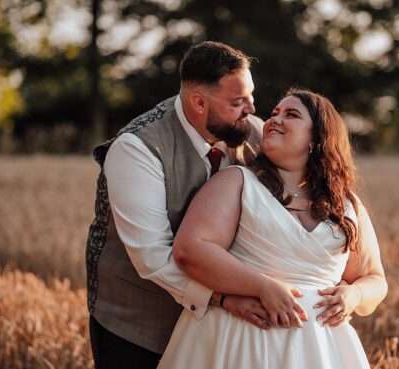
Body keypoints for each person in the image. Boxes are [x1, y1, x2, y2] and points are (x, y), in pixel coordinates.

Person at [157, 88, 388, 369]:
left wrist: (355, 295)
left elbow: (374, 279)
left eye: (291, 115)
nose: (273, 120)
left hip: (320, 351)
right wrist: (262, 286)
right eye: (274, 113)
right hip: (240, 340)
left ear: (317, 138)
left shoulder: (346, 205)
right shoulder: (236, 182)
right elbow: (190, 250)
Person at [85, 41, 274, 369]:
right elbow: (152, 256)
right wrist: (224, 299)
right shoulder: (136, 149)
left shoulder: (252, 135)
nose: (252, 109)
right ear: (199, 102)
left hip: (219, 330)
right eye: (238, 102)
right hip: (137, 327)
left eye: (251, 96)